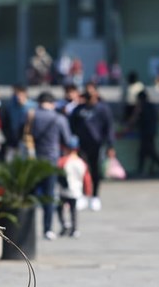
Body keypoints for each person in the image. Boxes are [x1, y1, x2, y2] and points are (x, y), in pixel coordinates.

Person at [29, 91, 73, 240]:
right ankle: (47, 229)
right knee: (49, 195)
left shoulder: (31, 116)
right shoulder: (58, 118)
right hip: (51, 160)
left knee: (29, 196)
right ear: (52, 103)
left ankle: (28, 228)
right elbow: (67, 140)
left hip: (33, 160)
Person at [69, 83, 116, 212]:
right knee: (82, 170)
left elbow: (109, 127)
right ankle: (83, 195)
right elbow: (71, 126)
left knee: (95, 171)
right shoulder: (79, 109)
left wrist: (110, 145)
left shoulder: (103, 109)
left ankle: (95, 196)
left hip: (97, 145)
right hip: (82, 145)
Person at [56, 136, 91, 238]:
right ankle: (74, 229)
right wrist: (87, 191)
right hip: (76, 191)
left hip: (63, 190)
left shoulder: (62, 161)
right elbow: (86, 178)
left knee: (60, 208)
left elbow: (58, 173)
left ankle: (64, 224)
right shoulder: (82, 162)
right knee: (73, 210)